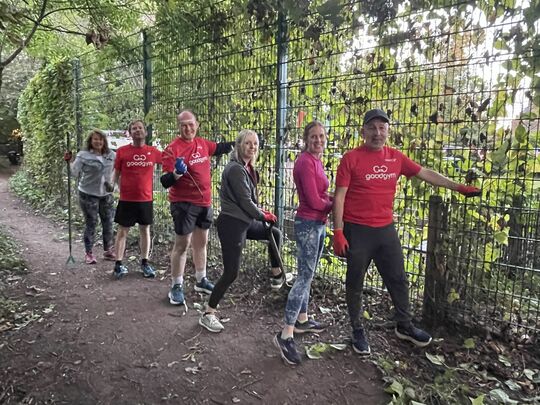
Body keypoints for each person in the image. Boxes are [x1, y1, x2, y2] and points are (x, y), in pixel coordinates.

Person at [333, 108, 481, 355]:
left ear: (388, 132)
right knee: (355, 281)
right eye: (372, 128)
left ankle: (404, 324)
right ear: (363, 131)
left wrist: (458, 187)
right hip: (357, 230)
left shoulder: (396, 158)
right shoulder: (351, 158)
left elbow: (425, 173)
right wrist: (338, 230)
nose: (377, 133)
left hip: (385, 230)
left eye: (382, 128)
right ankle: (357, 329)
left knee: (398, 278)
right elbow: (339, 197)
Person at [198, 129, 286, 333]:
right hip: (232, 224)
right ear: (238, 146)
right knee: (231, 273)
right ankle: (208, 313)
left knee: (274, 234)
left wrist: (261, 212)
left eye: (255, 143)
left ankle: (276, 276)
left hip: (244, 221)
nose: (252, 147)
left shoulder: (247, 168)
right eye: (247, 143)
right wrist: (262, 215)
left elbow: (249, 202)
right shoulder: (236, 169)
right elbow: (245, 202)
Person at [160, 110, 235, 305]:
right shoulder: (172, 149)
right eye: (183, 125)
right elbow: (165, 181)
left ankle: (201, 280)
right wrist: (177, 173)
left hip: (204, 203)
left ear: (197, 124)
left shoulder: (202, 144)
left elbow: (219, 148)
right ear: (179, 127)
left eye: (191, 124)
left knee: (201, 243)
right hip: (183, 204)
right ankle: (176, 285)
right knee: (182, 245)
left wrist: (241, 142)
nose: (188, 128)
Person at [274, 121, 333, 365]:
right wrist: (337, 204)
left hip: (317, 224)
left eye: (321, 136)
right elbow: (313, 200)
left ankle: (302, 319)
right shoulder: (305, 162)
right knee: (304, 277)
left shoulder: (316, 161)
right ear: (306, 139)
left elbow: (321, 197)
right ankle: (285, 333)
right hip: (308, 224)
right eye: (313, 137)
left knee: (307, 273)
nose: (318, 140)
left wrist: (330, 200)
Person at [111, 120, 162, 279]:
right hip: (126, 198)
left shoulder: (153, 152)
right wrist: (110, 184)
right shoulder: (122, 151)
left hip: (145, 198)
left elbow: (169, 161)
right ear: (130, 133)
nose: (137, 130)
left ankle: (145, 263)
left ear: (145, 132)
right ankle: (118, 264)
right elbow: (116, 172)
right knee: (122, 231)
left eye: (140, 128)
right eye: (134, 128)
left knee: (145, 230)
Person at [64, 130, 116, 264]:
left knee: (108, 222)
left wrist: (115, 185)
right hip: (88, 194)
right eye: (95, 139)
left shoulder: (111, 155)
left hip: (106, 194)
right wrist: (69, 161)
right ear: (90, 141)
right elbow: (74, 173)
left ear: (104, 141)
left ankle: (108, 250)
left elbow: (117, 171)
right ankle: (89, 253)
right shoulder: (83, 155)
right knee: (91, 222)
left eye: (100, 139)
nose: (98, 142)